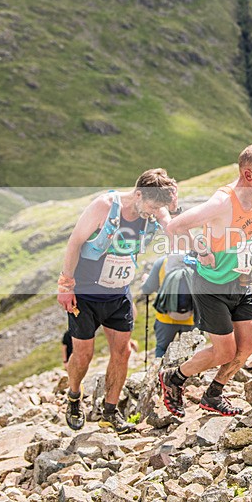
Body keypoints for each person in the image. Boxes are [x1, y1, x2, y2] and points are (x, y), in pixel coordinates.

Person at [159, 145, 252, 417]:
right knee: (225, 352)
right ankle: (174, 378)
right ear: (249, 175)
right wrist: (201, 251)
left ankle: (213, 394)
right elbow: (175, 227)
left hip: (239, 281)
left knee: (250, 344)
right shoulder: (222, 202)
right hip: (211, 286)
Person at [57, 169, 178, 432]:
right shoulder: (104, 206)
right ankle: (74, 395)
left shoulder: (154, 212)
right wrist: (65, 284)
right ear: (138, 194)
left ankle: (109, 411)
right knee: (84, 354)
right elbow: (75, 242)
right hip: (86, 294)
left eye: (159, 206)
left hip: (118, 292)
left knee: (122, 353)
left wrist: (172, 208)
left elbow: (174, 233)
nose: (155, 211)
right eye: (153, 205)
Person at [141, 253, 195, 358]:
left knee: (162, 349)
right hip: (192, 316)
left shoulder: (161, 262)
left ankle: (159, 373)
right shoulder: (195, 261)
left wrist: (145, 280)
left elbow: (147, 289)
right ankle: (189, 373)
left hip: (166, 317)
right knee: (190, 352)